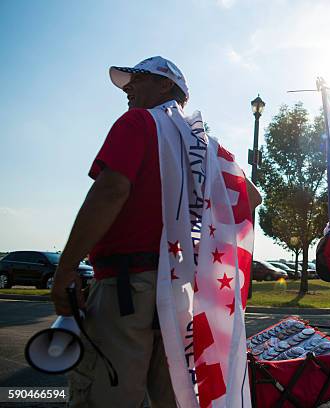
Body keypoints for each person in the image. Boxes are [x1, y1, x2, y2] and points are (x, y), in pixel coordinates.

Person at [51, 56, 261, 408]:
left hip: (127, 286)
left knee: (109, 393)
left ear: (165, 85)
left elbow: (111, 190)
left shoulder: (139, 122)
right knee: (173, 396)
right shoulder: (208, 147)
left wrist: (66, 267)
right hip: (179, 290)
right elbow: (251, 197)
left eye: (138, 79)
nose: (128, 88)